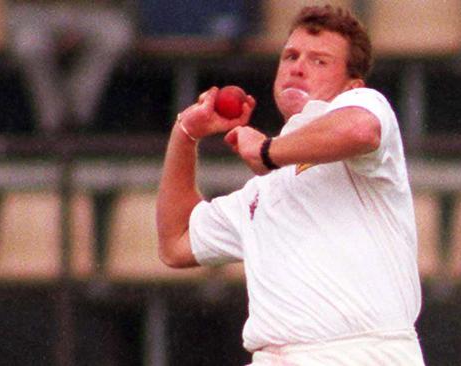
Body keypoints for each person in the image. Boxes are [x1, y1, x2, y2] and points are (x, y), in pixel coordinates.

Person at [157, 5, 425, 365]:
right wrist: (185, 134)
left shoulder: (367, 106)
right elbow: (175, 243)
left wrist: (267, 151)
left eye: (319, 61)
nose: (298, 67)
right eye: (290, 56)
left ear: (352, 84)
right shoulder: (259, 194)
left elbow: (360, 130)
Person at [6, 1, 134, 134]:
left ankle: (77, 116)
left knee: (116, 36)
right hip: (37, 12)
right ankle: (52, 123)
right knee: (28, 43)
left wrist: (74, 23)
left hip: (93, 11)